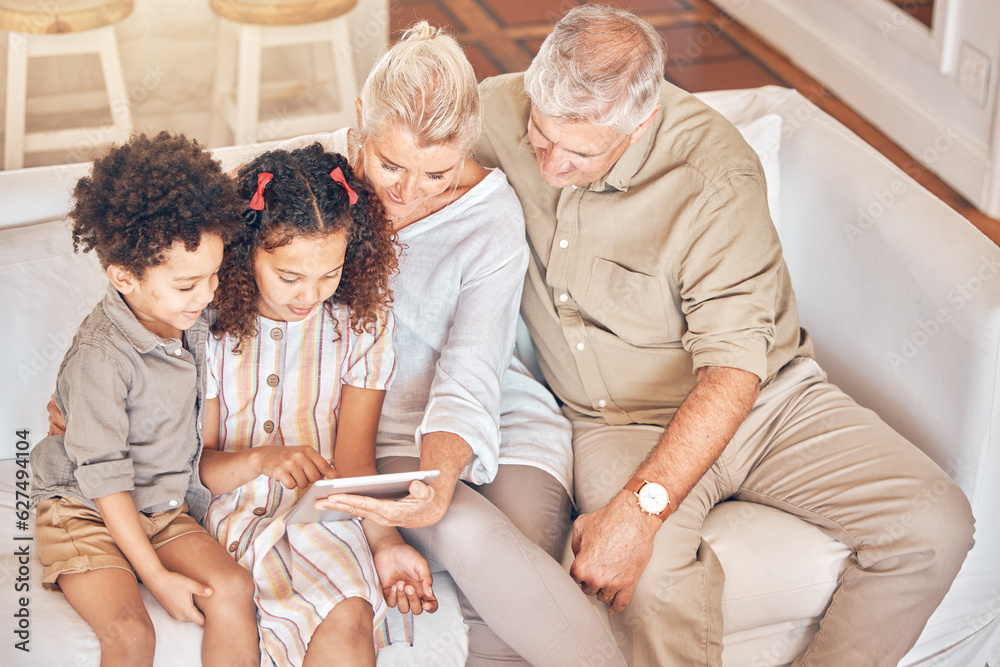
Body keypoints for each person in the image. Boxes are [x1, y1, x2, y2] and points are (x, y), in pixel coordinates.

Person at [472, 5, 976, 667]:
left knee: (935, 523)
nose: (554, 165)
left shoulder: (716, 176)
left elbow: (733, 376)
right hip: (620, 421)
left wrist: (641, 508)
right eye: (542, 138)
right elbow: (392, 145)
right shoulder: (494, 113)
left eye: (582, 152)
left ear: (641, 122)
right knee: (642, 583)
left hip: (764, 402)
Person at [283, 22, 626, 667]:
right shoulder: (310, 186)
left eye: (437, 171)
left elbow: (472, 372)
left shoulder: (491, 217)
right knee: (469, 535)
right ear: (361, 123)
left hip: (503, 419)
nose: (405, 193)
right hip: (376, 436)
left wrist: (440, 479)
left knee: (510, 597)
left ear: (468, 145)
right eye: (389, 164)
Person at [197, 145, 436, 667]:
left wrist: (386, 542)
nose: (311, 294)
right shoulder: (208, 327)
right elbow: (203, 470)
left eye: (330, 274)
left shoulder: (361, 323)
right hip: (229, 514)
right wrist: (262, 461)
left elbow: (353, 463)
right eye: (290, 277)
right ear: (245, 252)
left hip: (323, 516)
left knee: (350, 614)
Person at [29, 132, 260, 667]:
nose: (206, 296)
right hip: (84, 508)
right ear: (124, 277)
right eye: (187, 285)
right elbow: (105, 482)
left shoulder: (191, 315)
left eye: (213, 276)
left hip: (158, 503)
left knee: (232, 587)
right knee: (132, 635)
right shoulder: (101, 358)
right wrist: (155, 577)